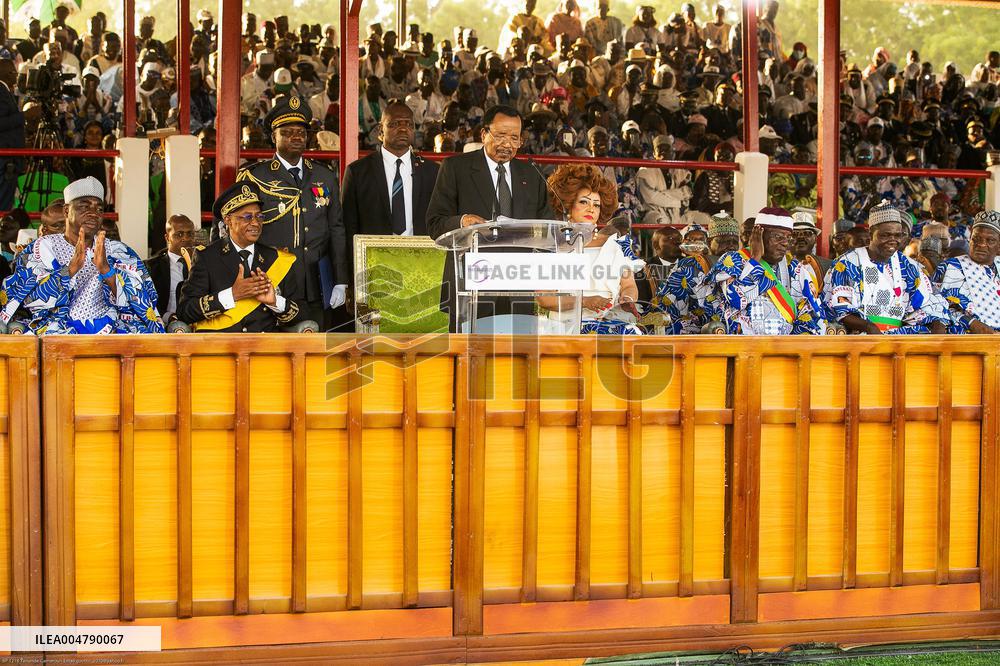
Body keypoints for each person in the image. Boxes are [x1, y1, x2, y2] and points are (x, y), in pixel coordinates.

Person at [425, 104, 554, 331]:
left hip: (519, 286)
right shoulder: (456, 168)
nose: (507, 144)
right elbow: (435, 222)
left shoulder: (532, 175)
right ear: (484, 134)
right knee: (470, 360)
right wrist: (462, 221)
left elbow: (548, 229)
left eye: (515, 138)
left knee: (514, 361)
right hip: (471, 285)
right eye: (501, 135)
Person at [235, 96, 348, 327]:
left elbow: (336, 228)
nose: (296, 137)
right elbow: (238, 232)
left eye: (301, 132)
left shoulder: (324, 175)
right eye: (287, 132)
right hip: (271, 280)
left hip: (316, 282)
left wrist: (340, 280)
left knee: (316, 350)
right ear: (273, 137)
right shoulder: (255, 177)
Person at [0, 177, 163, 335]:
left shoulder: (118, 250)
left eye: (99, 209)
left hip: (112, 330)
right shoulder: (43, 247)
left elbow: (146, 300)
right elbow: (27, 298)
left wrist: (107, 271)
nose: (93, 214)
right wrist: (70, 270)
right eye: (84, 207)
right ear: (66, 211)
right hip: (57, 331)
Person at [178, 181, 306, 332]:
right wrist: (231, 295)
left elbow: (303, 314)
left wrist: (275, 302)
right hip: (220, 350)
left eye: (259, 216)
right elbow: (185, 311)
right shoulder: (207, 257)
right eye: (247, 217)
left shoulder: (277, 258)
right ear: (228, 220)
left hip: (265, 350)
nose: (256, 223)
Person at [536, 164, 641, 334]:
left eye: (597, 205)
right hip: (566, 328)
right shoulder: (552, 246)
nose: (591, 208)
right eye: (583, 202)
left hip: (612, 324)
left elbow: (629, 285)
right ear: (568, 205)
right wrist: (584, 301)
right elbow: (544, 299)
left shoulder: (615, 245)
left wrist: (627, 299)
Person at [341, 100, 440, 269]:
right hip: (374, 267)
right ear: (380, 131)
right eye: (394, 124)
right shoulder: (357, 172)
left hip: (423, 265)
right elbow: (348, 227)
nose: (403, 128)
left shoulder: (432, 172)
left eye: (408, 123)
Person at [825, 203, 947, 334]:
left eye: (897, 235)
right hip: (859, 337)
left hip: (899, 339)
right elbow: (840, 309)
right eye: (885, 235)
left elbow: (930, 303)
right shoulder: (847, 264)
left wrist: (937, 326)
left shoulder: (910, 267)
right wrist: (869, 327)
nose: (892, 240)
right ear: (870, 234)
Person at [707, 207, 824, 335]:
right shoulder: (732, 260)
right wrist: (754, 260)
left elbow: (811, 311)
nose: (785, 243)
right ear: (758, 235)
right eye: (778, 237)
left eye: (788, 237)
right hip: (744, 346)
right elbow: (737, 300)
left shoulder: (795, 268)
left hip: (787, 347)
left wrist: (793, 343)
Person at [934, 210, 1000, 334]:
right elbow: (934, 307)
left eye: (990, 240)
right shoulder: (951, 266)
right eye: (976, 239)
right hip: (969, 337)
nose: (981, 244)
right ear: (970, 239)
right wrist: (971, 323)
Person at [145, 214, 197, 324]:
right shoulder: (151, 267)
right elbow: (146, 302)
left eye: (190, 234)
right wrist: (168, 317)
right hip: (164, 324)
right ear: (167, 237)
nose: (186, 238)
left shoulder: (203, 262)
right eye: (179, 234)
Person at [0, 59, 23, 212]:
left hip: (8, 158)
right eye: (14, 72)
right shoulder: (0, 91)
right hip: (4, 158)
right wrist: (25, 115)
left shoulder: (5, 90)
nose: (16, 75)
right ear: (8, 74)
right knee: (3, 203)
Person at [790, 212, 830, 291]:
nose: (801, 237)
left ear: (815, 238)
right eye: (794, 234)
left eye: (807, 233)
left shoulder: (828, 267)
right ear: (787, 238)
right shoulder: (779, 266)